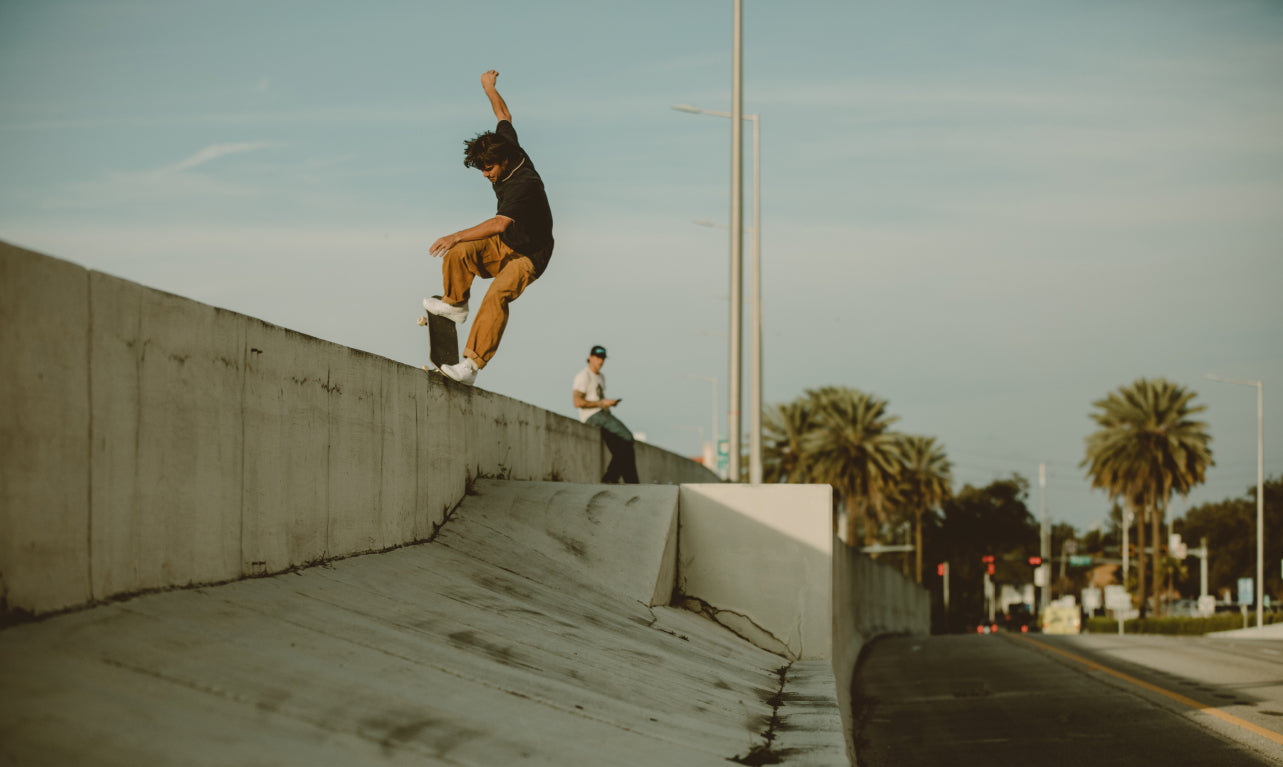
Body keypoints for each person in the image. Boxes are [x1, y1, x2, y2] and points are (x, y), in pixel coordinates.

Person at [423, 69, 554, 385]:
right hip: (506, 242)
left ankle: (470, 366)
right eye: (481, 169)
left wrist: (455, 233)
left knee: (497, 294)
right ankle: (455, 303)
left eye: (489, 168)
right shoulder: (506, 143)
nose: (485, 175)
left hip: (529, 255)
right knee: (459, 252)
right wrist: (488, 86)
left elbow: (497, 224)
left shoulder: (526, 184)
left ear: (505, 161)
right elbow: (503, 113)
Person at [573, 345, 639, 484]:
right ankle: (611, 478)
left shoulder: (601, 377)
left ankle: (631, 482)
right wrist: (602, 403)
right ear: (590, 358)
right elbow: (577, 402)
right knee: (627, 437)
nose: (600, 361)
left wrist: (608, 405)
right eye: (597, 358)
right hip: (593, 415)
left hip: (603, 414)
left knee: (623, 448)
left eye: (602, 358)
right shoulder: (584, 376)